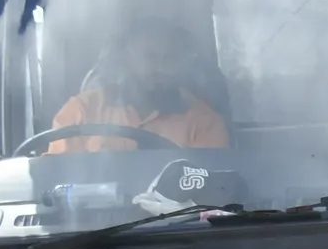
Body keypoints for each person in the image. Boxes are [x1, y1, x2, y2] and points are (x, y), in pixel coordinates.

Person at [49, 24, 229, 154]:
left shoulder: (205, 123)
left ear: (182, 64)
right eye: (150, 57)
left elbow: (207, 189)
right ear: (128, 59)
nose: (160, 67)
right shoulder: (81, 110)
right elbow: (57, 178)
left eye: (170, 59)